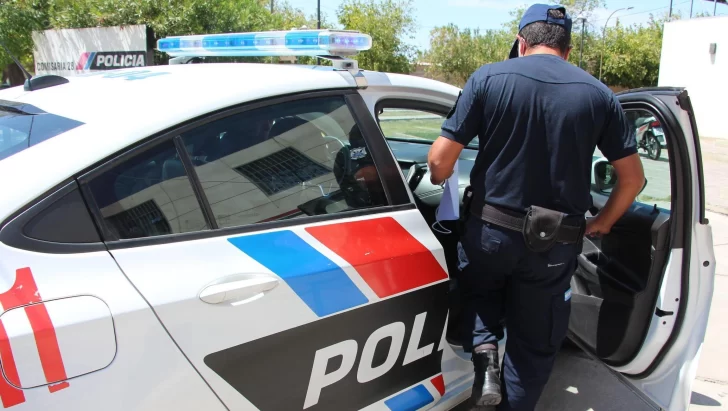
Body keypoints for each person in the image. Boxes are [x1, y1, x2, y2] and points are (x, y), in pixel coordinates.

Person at [427, 4, 645, 410]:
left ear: (521, 42)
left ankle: (485, 354)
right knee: (535, 340)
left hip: (489, 232)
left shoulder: (488, 78)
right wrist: (602, 222)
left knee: (481, 289)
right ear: (568, 48)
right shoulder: (600, 95)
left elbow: (440, 162)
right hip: (555, 244)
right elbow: (633, 180)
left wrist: (439, 182)